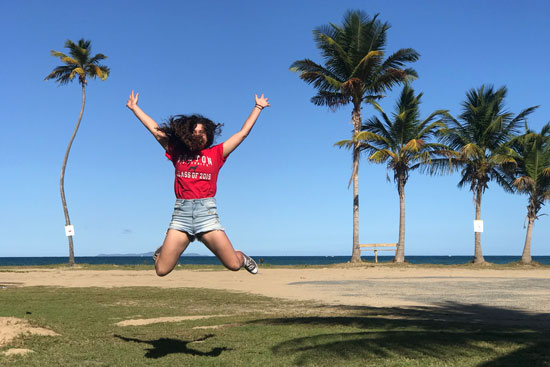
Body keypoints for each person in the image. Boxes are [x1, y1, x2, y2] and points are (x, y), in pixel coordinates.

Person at [126, 90, 269, 276]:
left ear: (208, 135)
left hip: (207, 215)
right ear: (186, 135)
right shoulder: (177, 151)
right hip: (181, 215)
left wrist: (258, 107)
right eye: (194, 132)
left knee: (233, 264)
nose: (198, 135)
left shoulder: (216, 153)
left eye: (202, 132)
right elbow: (155, 130)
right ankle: (161, 252)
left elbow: (241, 134)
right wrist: (135, 108)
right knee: (161, 270)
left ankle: (242, 257)